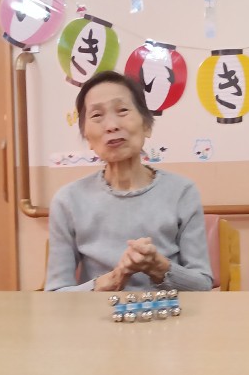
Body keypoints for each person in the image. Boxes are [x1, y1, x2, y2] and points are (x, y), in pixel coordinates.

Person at [46, 71, 213, 291]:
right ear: (87, 136)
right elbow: (55, 294)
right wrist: (110, 281)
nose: (111, 125)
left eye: (122, 110)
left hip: (169, 312)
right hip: (98, 313)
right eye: (97, 115)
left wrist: (159, 267)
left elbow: (202, 285)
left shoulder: (182, 192)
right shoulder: (68, 201)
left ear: (147, 125)